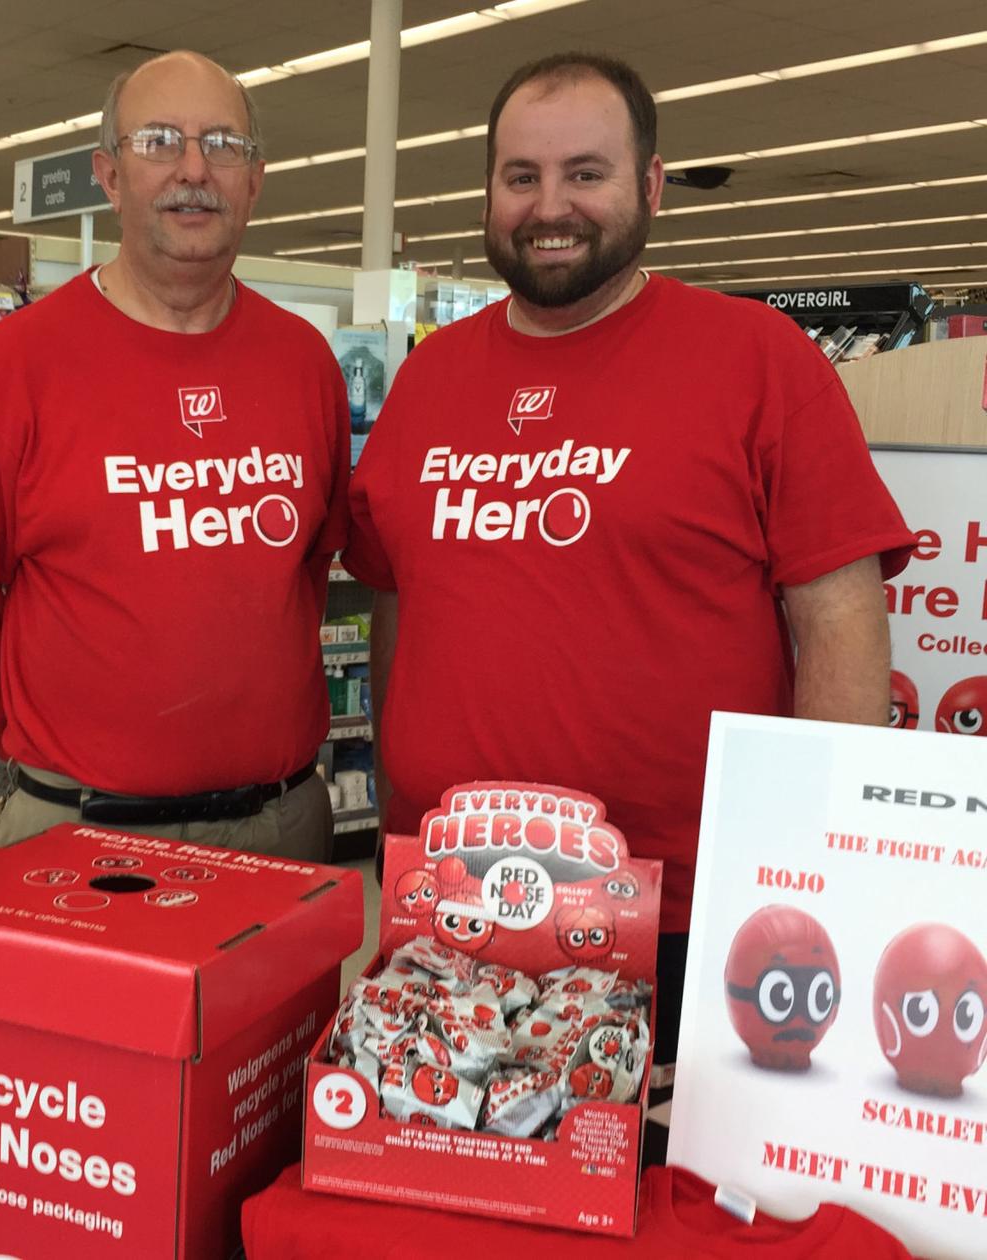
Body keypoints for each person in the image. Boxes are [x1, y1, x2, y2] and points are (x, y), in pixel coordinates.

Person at [340, 52, 915, 1070]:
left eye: (585, 174)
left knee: (661, 1213)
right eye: (521, 177)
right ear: (488, 192)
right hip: (456, 901)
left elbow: (839, 617)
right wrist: (397, 816)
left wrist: (809, 872)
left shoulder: (755, 359)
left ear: (650, 185)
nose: (549, 206)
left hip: (694, 913)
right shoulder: (430, 383)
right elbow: (396, 603)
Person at [0, 52, 349, 860]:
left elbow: (305, 569)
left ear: (255, 180)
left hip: (280, 826)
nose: (192, 169)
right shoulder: (18, 364)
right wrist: (27, 745)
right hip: (77, 828)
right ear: (110, 175)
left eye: (223, 144)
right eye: (159, 142)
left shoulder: (304, 362)